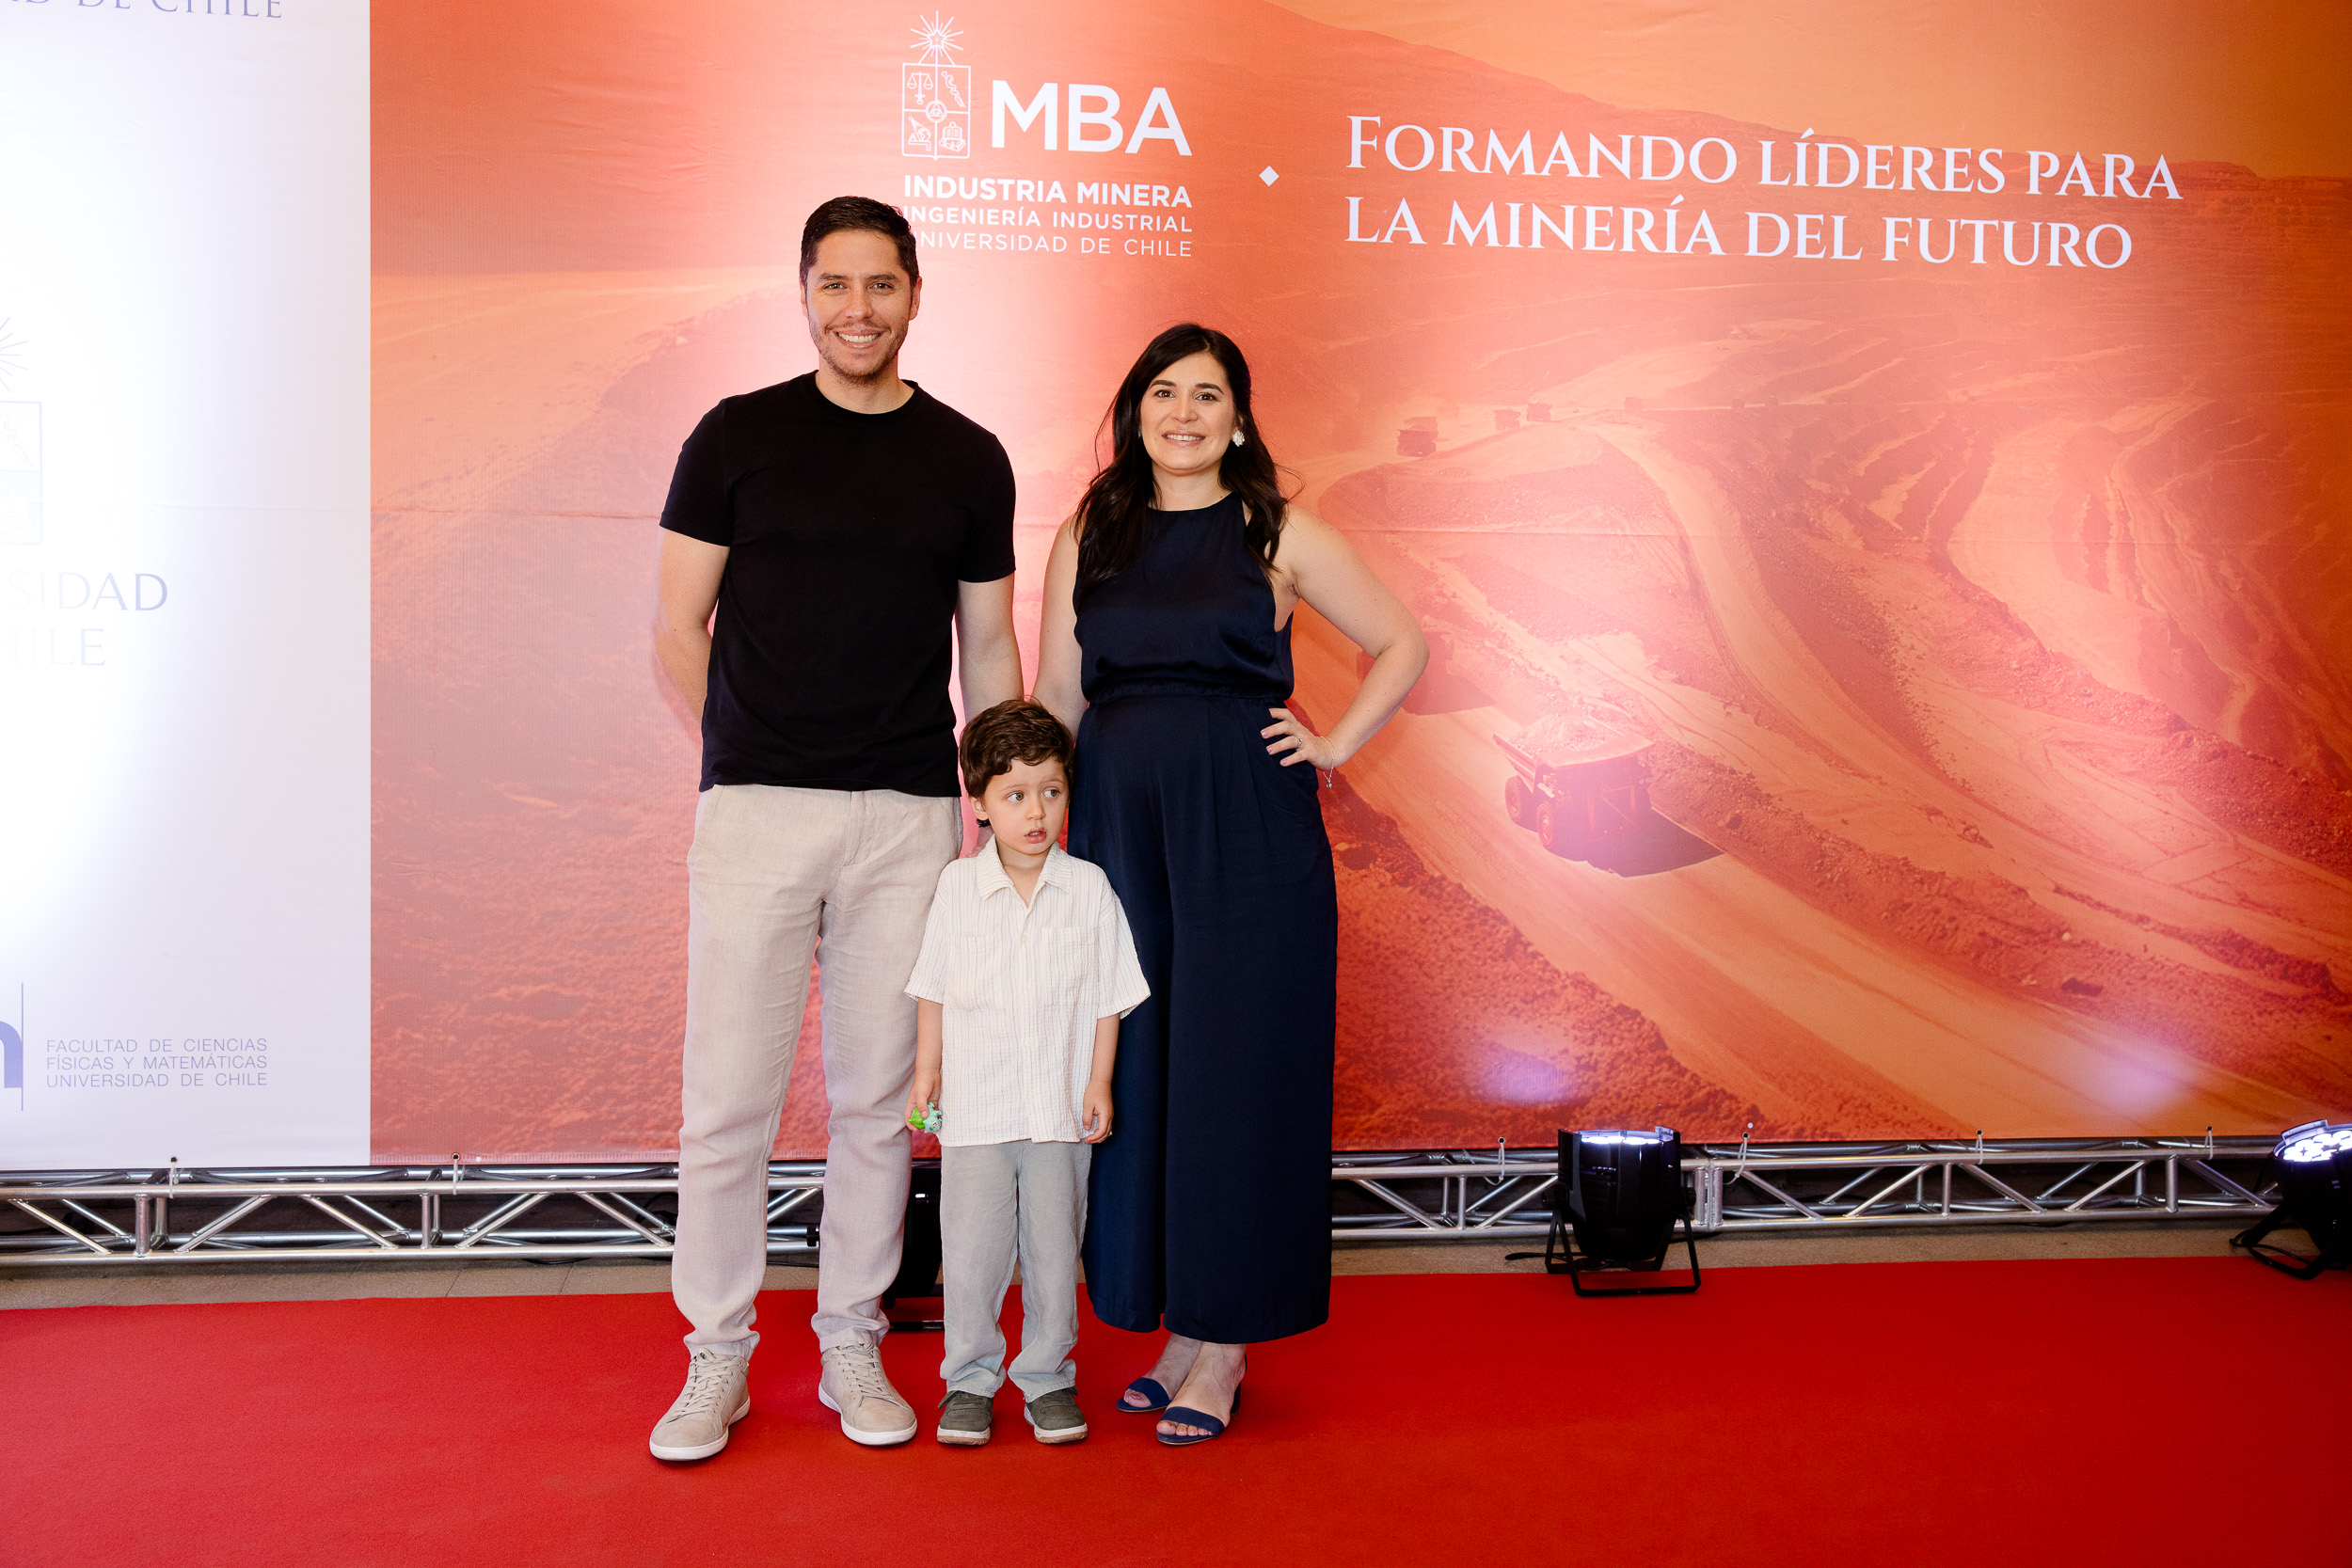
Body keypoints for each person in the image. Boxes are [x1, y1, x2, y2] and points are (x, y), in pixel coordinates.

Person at [645, 197, 1023, 1462]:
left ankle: (851, 1336)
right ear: (804, 293)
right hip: (756, 810)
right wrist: (744, 748)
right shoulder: (734, 435)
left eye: (880, 284)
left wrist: (998, 805)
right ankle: (717, 1354)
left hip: (908, 815)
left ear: (915, 294)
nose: (858, 309)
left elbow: (989, 644)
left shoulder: (968, 457)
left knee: (877, 1102)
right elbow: (676, 627)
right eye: (834, 284)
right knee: (726, 1104)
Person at [1031, 324, 1426, 1445]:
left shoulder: (1278, 530)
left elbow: (1402, 641)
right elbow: (1058, 693)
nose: (1184, 412)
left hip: (1247, 831)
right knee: (1140, 1065)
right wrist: (1031, 834)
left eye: (1208, 395)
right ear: (1135, 411)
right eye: (1164, 391)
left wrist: (1335, 743)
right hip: (1118, 823)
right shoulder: (1089, 529)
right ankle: (1177, 1323)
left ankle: (1227, 1343)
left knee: (1238, 1072)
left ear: (1239, 420)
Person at [901, 699, 1150, 1448]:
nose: (1036, 811)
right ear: (979, 802)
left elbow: (1109, 996)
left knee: (1052, 1249)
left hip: (1057, 1112)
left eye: (1051, 791)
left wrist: (1098, 1083)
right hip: (975, 1111)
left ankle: (1047, 1376)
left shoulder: (1091, 888)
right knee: (972, 1253)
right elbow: (933, 987)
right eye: (1015, 794)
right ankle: (969, 1379)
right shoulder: (955, 887)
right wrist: (926, 1072)